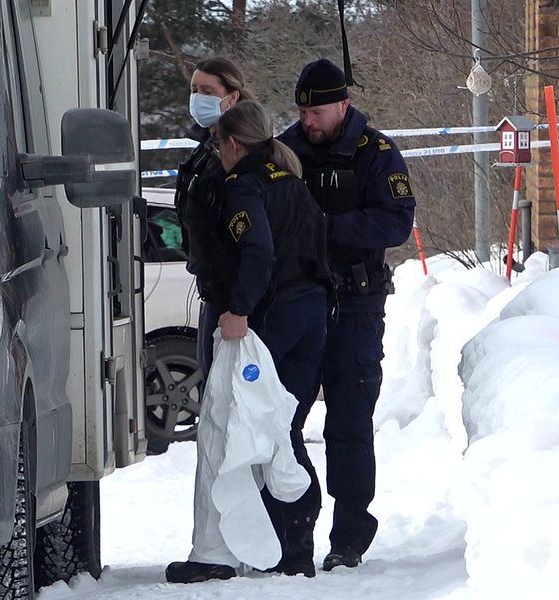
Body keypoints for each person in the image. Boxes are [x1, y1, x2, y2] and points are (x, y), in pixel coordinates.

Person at [166, 100, 332, 584]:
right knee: (283, 427)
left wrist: (238, 308)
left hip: (269, 318)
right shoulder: (292, 181)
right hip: (310, 313)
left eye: (218, 144)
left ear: (233, 143)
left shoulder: (245, 186)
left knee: (232, 425)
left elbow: (257, 251)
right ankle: (295, 548)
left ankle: (219, 551)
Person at [279, 58, 416, 571]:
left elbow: (395, 222)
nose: (308, 120)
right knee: (284, 419)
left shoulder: (375, 153)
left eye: (316, 110)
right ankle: (292, 532)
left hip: (355, 304)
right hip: (296, 303)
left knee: (349, 420)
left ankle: (349, 536)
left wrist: (325, 229)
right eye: (302, 110)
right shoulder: (285, 150)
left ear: (343, 104)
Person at [174, 56, 256, 376]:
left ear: (232, 97)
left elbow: (255, 241)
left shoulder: (242, 152)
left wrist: (240, 306)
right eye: (194, 89)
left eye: (207, 90)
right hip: (211, 292)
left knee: (233, 402)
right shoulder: (206, 149)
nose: (197, 98)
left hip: (234, 299)